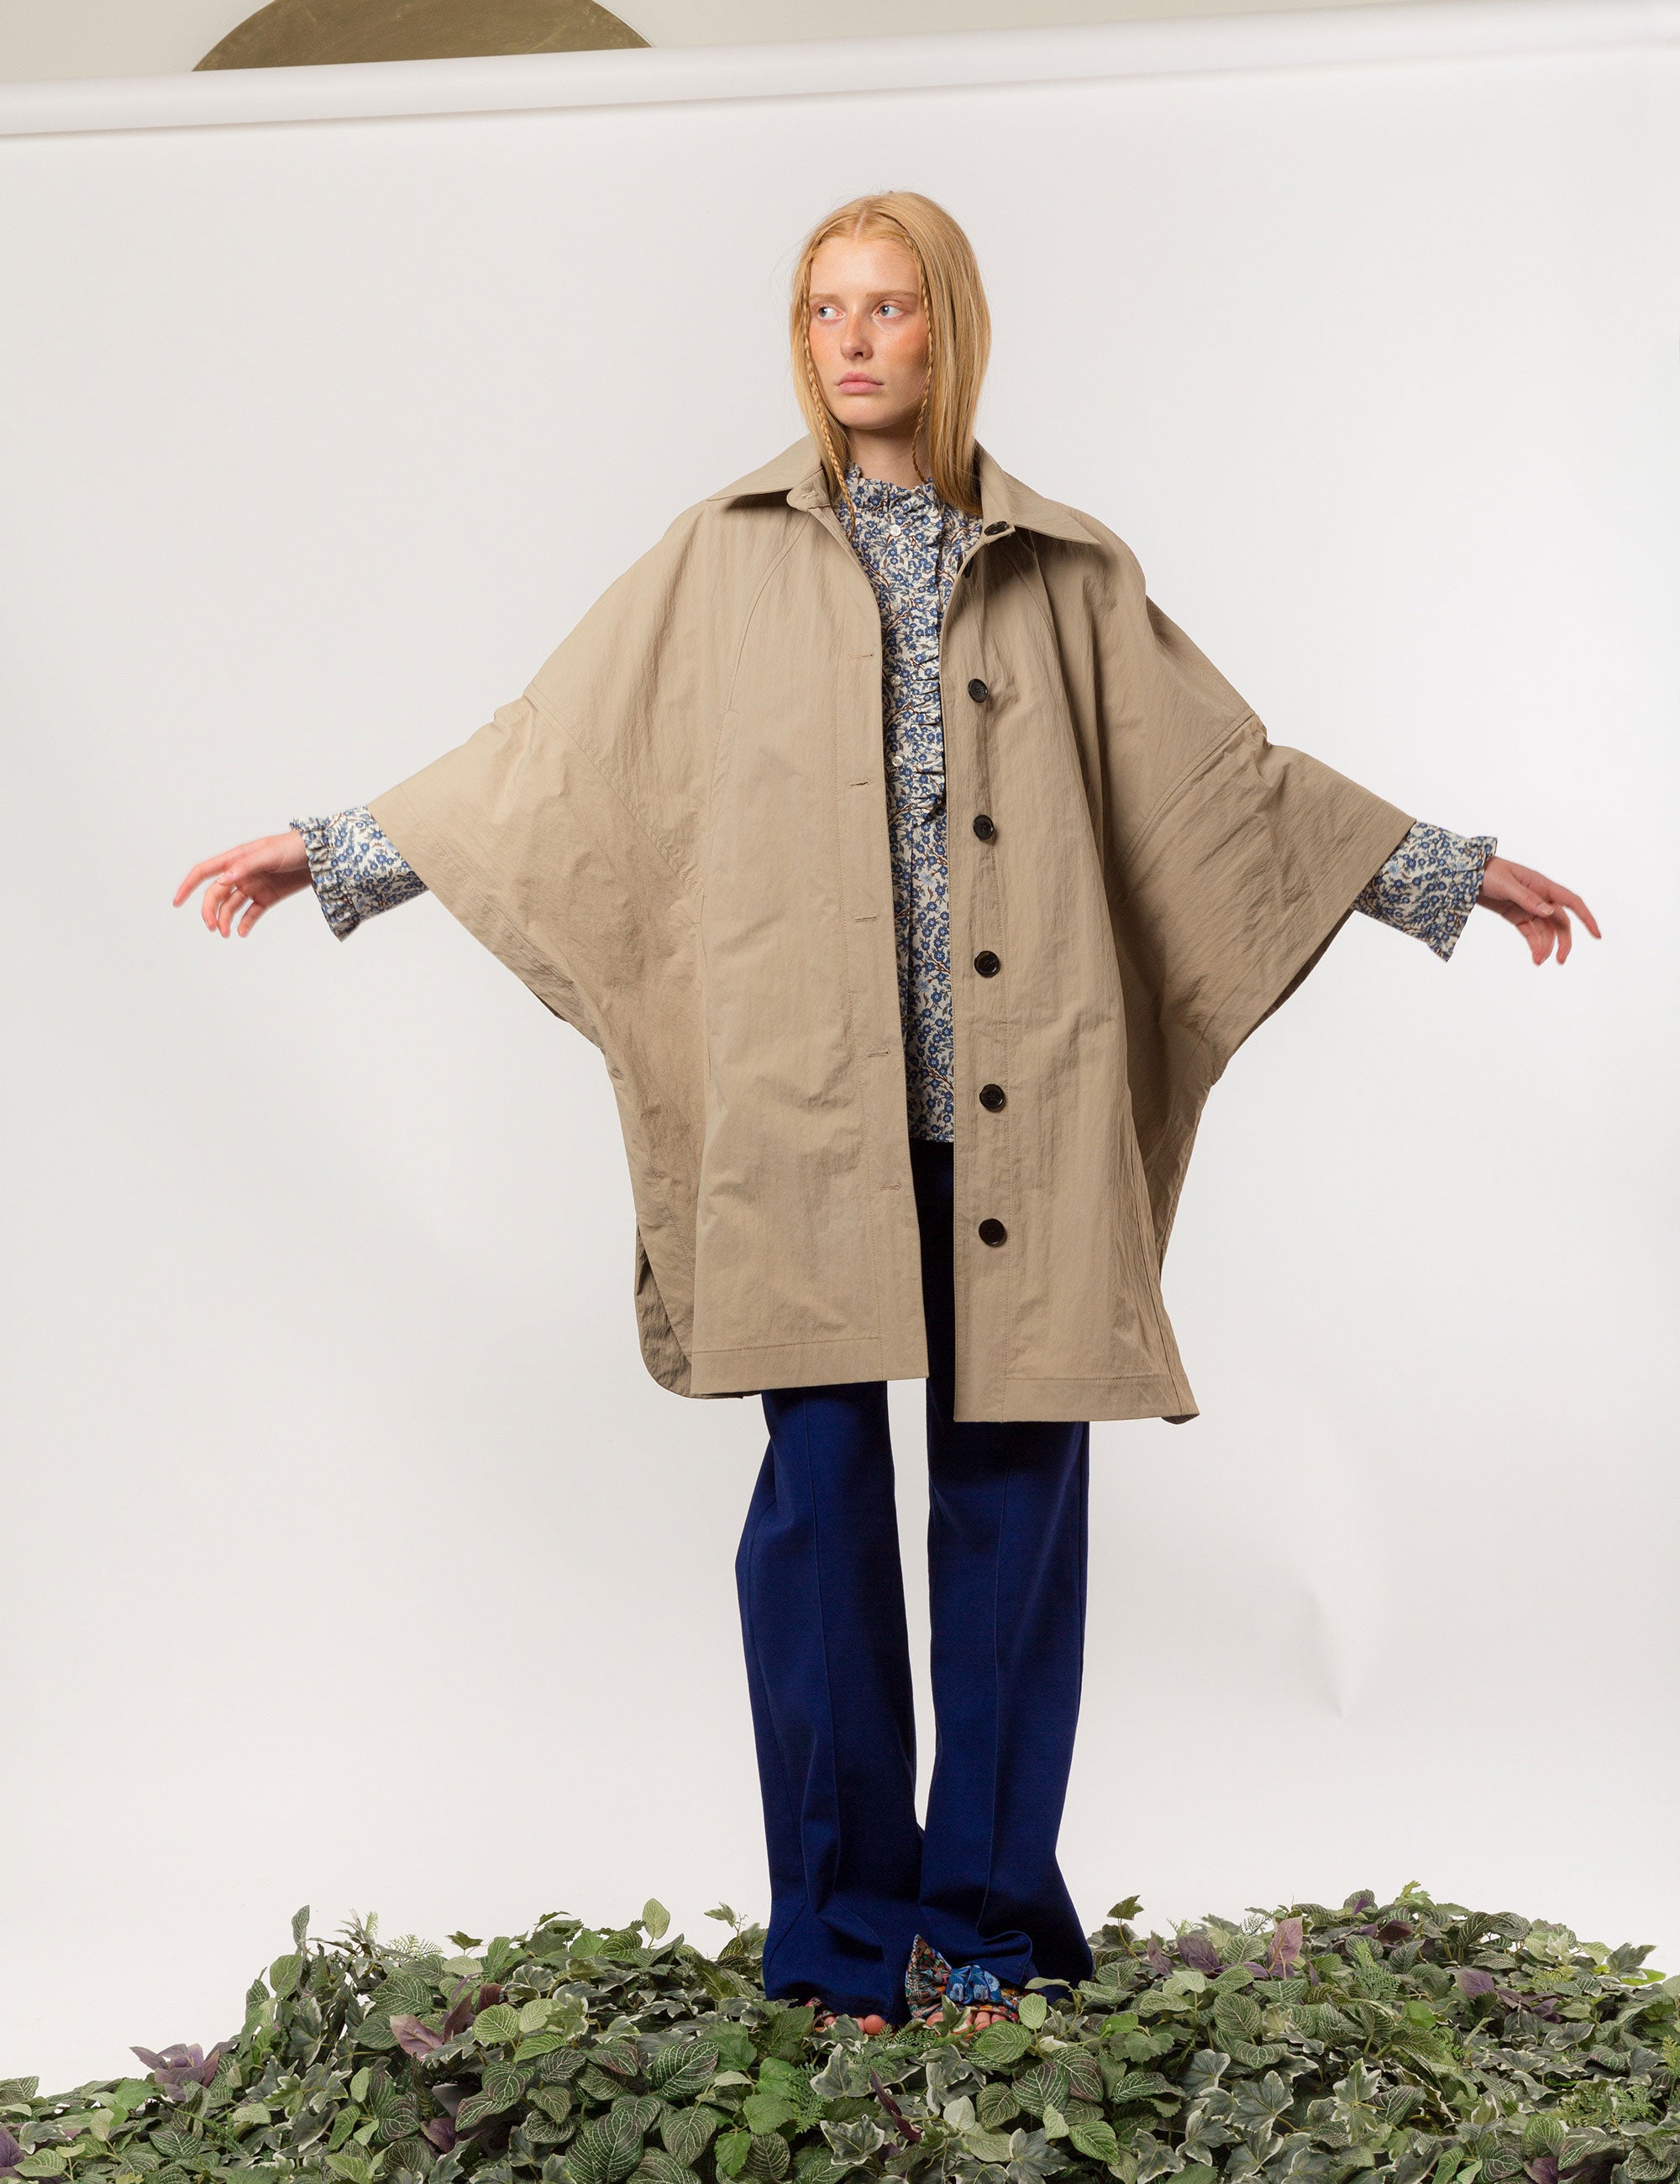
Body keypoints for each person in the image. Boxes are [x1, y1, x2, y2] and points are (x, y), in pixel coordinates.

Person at [174, 192, 1598, 2040]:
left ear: (950, 331)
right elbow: (549, 759)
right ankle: (849, 1942)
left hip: (1022, 1105)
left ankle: (986, 1934)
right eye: (823, 310)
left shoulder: (1067, 571)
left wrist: (1445, 875)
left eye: (889, 310)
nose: (852, 344)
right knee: (823, 1516)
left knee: (1012, 1521)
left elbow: (1222, 784)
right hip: (804, 1113)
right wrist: (339, 852)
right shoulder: (718, 558)